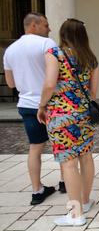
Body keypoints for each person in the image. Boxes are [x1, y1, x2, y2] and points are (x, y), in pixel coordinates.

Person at [37, 18, 99, 226]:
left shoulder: (54, 54)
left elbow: (49, 84)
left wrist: (42, 106)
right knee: (86, 158)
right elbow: (93, 93)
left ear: (63, 35)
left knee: (69, 164)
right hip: (84, 114)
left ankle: (75, 214)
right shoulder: (90, 58)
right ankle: (85, 201)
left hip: (61, 115)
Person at [3, 13, 66, 206]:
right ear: (33, 25)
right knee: (62, 144)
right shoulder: (47, 44)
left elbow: (10, 83)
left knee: (35, 148)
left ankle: (37, 190)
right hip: (52, 103)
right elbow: (60, 74)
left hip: (26, 104)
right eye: (46, 25)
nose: (49, 29)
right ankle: (65, 182)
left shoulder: (10, 50)